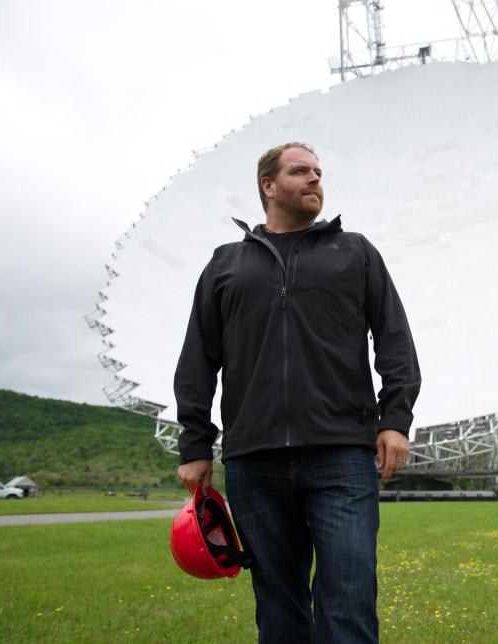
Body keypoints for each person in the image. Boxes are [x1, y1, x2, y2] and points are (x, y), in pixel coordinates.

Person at [174, 142, 421, 643]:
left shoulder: (354, 252)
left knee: (347, 603)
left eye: (318, 172)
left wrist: (394, 417)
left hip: (341, 457)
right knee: (278, 607)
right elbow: (198, 356)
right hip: (254, 461)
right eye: (300, 171)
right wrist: (195, 444)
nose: (314, 179)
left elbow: (394, 337)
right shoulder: (226, 264)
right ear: (269, 186)